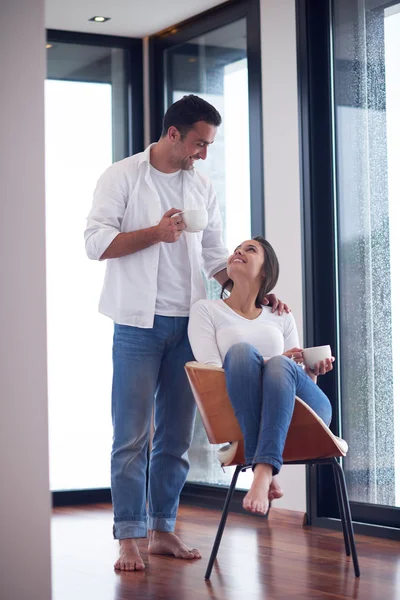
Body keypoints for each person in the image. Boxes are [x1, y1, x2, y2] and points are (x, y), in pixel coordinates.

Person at [84, 95, 288, 572]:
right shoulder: (122, 176)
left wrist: (260, 297)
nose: (202, 154)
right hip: (136, 324)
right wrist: (155, 234)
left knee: (176, 436)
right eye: (199, 143)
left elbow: (217, 257)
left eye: (209, 145)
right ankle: (128, 535)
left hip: (191, 325)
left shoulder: (202, 185)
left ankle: (162, 528)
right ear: (173, 133)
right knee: (131, 435)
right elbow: (95, 243)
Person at [188, 236, 333, 516]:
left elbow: (294, 381)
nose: (238, 252)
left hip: (306, 411)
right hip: (242, 406)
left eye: (249, 250)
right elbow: (213, 372)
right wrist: (275, 360)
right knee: (242, 353)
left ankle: (260, 465)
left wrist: (311, 371)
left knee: (280, 366)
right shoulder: (206, 310)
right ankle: (265, 470)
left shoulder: (281, 316)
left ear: (265, 271)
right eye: (236, 250)